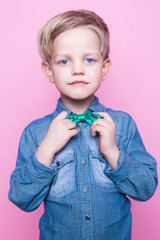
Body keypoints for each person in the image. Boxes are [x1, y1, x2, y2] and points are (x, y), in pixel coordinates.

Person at [8, 10, 158, 240]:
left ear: (104, 67)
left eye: (89, 59)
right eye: (64, 61)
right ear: (49, 71)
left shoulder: (123, 125)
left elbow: (146, 189)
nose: (77, 69)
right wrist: (47, 149)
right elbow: (22, 198)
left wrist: (112, 152)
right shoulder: (35, 133)